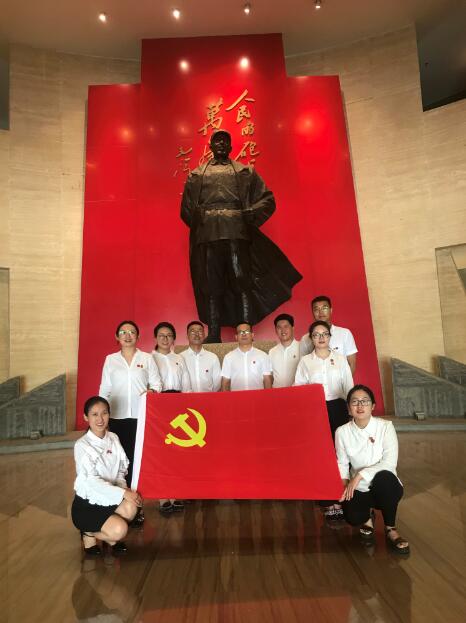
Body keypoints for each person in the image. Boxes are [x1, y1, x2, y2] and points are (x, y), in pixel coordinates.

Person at [180, 128, 302, 343]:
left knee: (241, 281)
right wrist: (200, 217)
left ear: (230, 146)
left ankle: (244, 331)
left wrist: (250, 213)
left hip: (236, 232)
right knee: (211, 284)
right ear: (210, 146)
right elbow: (186, 211)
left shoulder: (245, 172)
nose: (221, 144)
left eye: (224, 141)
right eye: (217, 141)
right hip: (208, 235)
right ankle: (214, 333)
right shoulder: (196, 175)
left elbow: (267, 199)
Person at [99, 320, 162, 526]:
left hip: (140, 418)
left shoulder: (147, 358)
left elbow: (157, 384)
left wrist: (151, 391)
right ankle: (120, 507)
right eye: (123, 332)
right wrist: (101, 417)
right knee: (118, 463)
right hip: (116, 418)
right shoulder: (110, 360)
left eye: (132, 332)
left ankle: (137, 508)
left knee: (137, 463)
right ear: (117, 337)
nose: (127, 336)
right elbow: (105, 389)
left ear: (138, 336)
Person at [336, 385, 409, 554]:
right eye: (355, 402)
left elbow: (389, 463)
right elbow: (342, 463)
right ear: (349, 408)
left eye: (365, 401)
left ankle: (390, 528)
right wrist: (344, 486)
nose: (360, 406)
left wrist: (359, 476)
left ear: (373, 406)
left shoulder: (385, 427)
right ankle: (367, 518)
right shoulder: (342, 432)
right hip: (359, 487)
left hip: (384, 485)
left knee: (385, 478)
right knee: (353, 518)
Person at [294, 320, 353, 519]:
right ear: (311, 338)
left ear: (330, 337)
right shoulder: (305, 361)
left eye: (324, 334)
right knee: (321, 452)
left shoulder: (340, 359)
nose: (321, 338)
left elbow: (349, 386)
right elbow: (298, 388)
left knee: (340, 450)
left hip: (338, 408)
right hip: (315, 410)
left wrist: (352, 411)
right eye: (316, 334)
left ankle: (344, 493)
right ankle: (327, 499)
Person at [71, 396, 142, 557]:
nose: (100, 419)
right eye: (94, 414)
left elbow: (121, 470)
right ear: (86, 417)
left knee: (132, 507)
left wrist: (125, 490)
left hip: (110, 496)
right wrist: (123, 493)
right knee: (120, 530)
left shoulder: (113, 437)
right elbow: (92, 482)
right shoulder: (81, 445)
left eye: (104, 413)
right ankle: (88, 532)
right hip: (88, 504)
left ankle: (109, 534)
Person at [152, 321, 191, 515]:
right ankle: (163, 496)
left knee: (177, 451)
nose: (165, 339)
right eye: (161, 335)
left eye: (169, 335)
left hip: (178, 405)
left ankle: (177, 493)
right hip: (158, 405)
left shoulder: (179, 358)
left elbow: (187, 385)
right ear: (155, 338)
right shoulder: (149, 358)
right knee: (161, 452)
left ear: (174, 339)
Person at [299, 296, 358, 374]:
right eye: (316, 309)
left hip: (340, 381)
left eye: (324, 308)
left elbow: (351, 364)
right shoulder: (305, 339)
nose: (321, 313)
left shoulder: (345, 333)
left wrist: (344, 381)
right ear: (312, 312)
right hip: (315, 381)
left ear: (331, 310)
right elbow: (303, 367)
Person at [221, 322, 273, 391]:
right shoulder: (228, 357)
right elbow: (225, 382)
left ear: (252, 335)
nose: (244, 334)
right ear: (236, 337)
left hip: (258, 396)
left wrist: (268, 396)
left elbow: (267, 379)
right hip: (237, 396)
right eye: (240, 332)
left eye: (247, 331)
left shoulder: (263, 355)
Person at [180, 320, 222, 392]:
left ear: (204, 335)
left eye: (200, 331)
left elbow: (217, 383)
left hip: (208, 397)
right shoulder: (180, 358)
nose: (197, 334)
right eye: (193, 331)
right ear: (187, 336)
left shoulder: (213, 357)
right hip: (186, 398)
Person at [268, 313, 301, 388]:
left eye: (286, 326)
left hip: (297, 391)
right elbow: (270, 376)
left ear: (292, 328)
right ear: (276, 330)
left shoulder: (301, 348)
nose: (283, 330)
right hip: (277, 392)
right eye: (279, 327)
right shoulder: (272, 351)